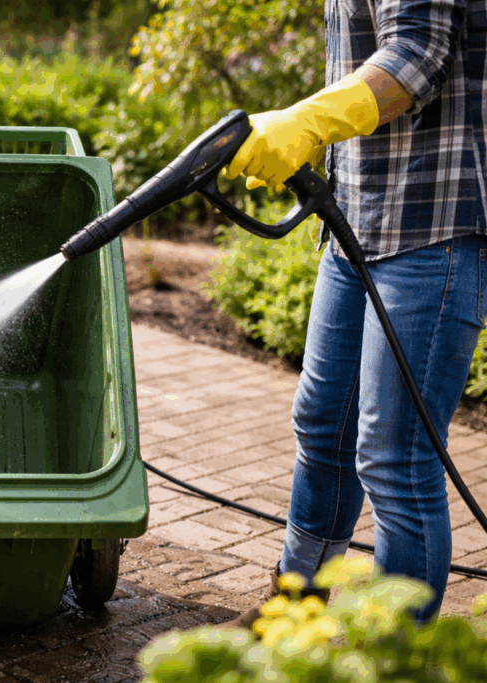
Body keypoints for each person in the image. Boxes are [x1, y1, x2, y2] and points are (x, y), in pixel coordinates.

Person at [221, 0, 487, 627]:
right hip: (358, 219)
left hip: (432, 221)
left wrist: (307, 119)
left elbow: (416, 56)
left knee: (397, 457)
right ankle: (296, 608)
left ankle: (396, 656)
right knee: (323, 430)